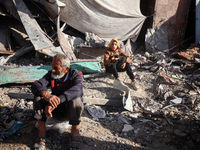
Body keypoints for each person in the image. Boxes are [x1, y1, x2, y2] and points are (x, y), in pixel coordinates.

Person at [31, 54, 84, 150]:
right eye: (52, 67)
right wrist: (46, 95)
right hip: (52, 112)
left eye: (56, 68)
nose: (52, 70)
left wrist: (57, 100)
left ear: (66, 69)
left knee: (76, 99)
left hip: (69, 112)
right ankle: (42, 131)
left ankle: (75, 130)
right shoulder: (51, 75)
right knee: (38, 96)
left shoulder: (76, 75)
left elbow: (78, 90)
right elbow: (36, 84)